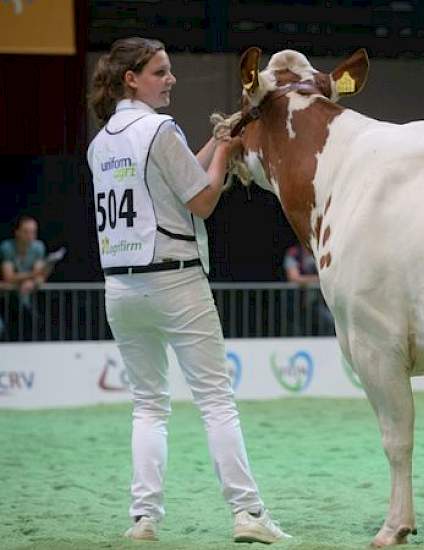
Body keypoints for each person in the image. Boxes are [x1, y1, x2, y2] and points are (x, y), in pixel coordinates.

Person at [86, 37, 290, 543]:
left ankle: (145, 518)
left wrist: (214, 144)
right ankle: (248, 514)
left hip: (121, 284)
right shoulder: (158, 129)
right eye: (161, 71)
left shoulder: (101, 142)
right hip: (174, 276)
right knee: (216, 401)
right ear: (131, 78)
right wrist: (224, 147)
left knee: (148, 406)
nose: (171, 78)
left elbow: (177, 178)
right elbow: (200, 199)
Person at [0, 215, 65, 339]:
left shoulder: (38, 247)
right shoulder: (6, 248)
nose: (30, 236)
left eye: (33, 232)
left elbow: (39, 277)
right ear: (17, 233)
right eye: (26, 232)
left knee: (32, 324)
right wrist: (33, 275)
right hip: (4, 297)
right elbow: (9, 277)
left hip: (24, 299)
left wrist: (34, 282)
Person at [283, 243, 335, 335]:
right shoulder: (293, 253)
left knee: (330, 322)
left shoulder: (321, 253)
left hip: (316, 302)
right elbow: (294, 278)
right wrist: (319, 279)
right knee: (296, 331)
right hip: (296, 303)